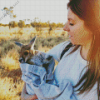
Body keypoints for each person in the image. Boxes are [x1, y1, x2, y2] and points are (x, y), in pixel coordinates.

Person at [21, 0, 100, 100]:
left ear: (93, 25)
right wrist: (25, 93)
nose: (64, 27)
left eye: (71, 23)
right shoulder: (67, 48)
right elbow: (35, 67)